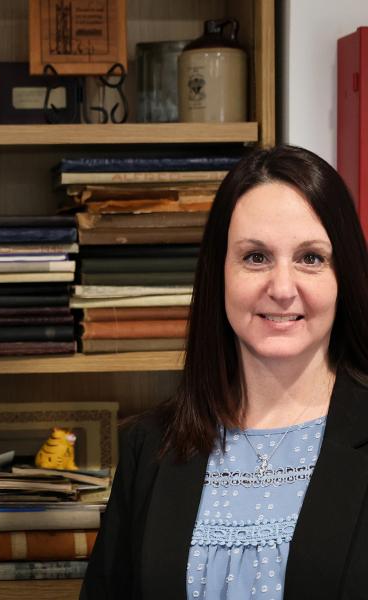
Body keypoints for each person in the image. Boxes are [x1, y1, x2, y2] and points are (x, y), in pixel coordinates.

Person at [80, 144, 368, 599]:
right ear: (220, 273)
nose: (282, 288)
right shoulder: (150, 445)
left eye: (310, 258)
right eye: (256, 257)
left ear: (344, 274)